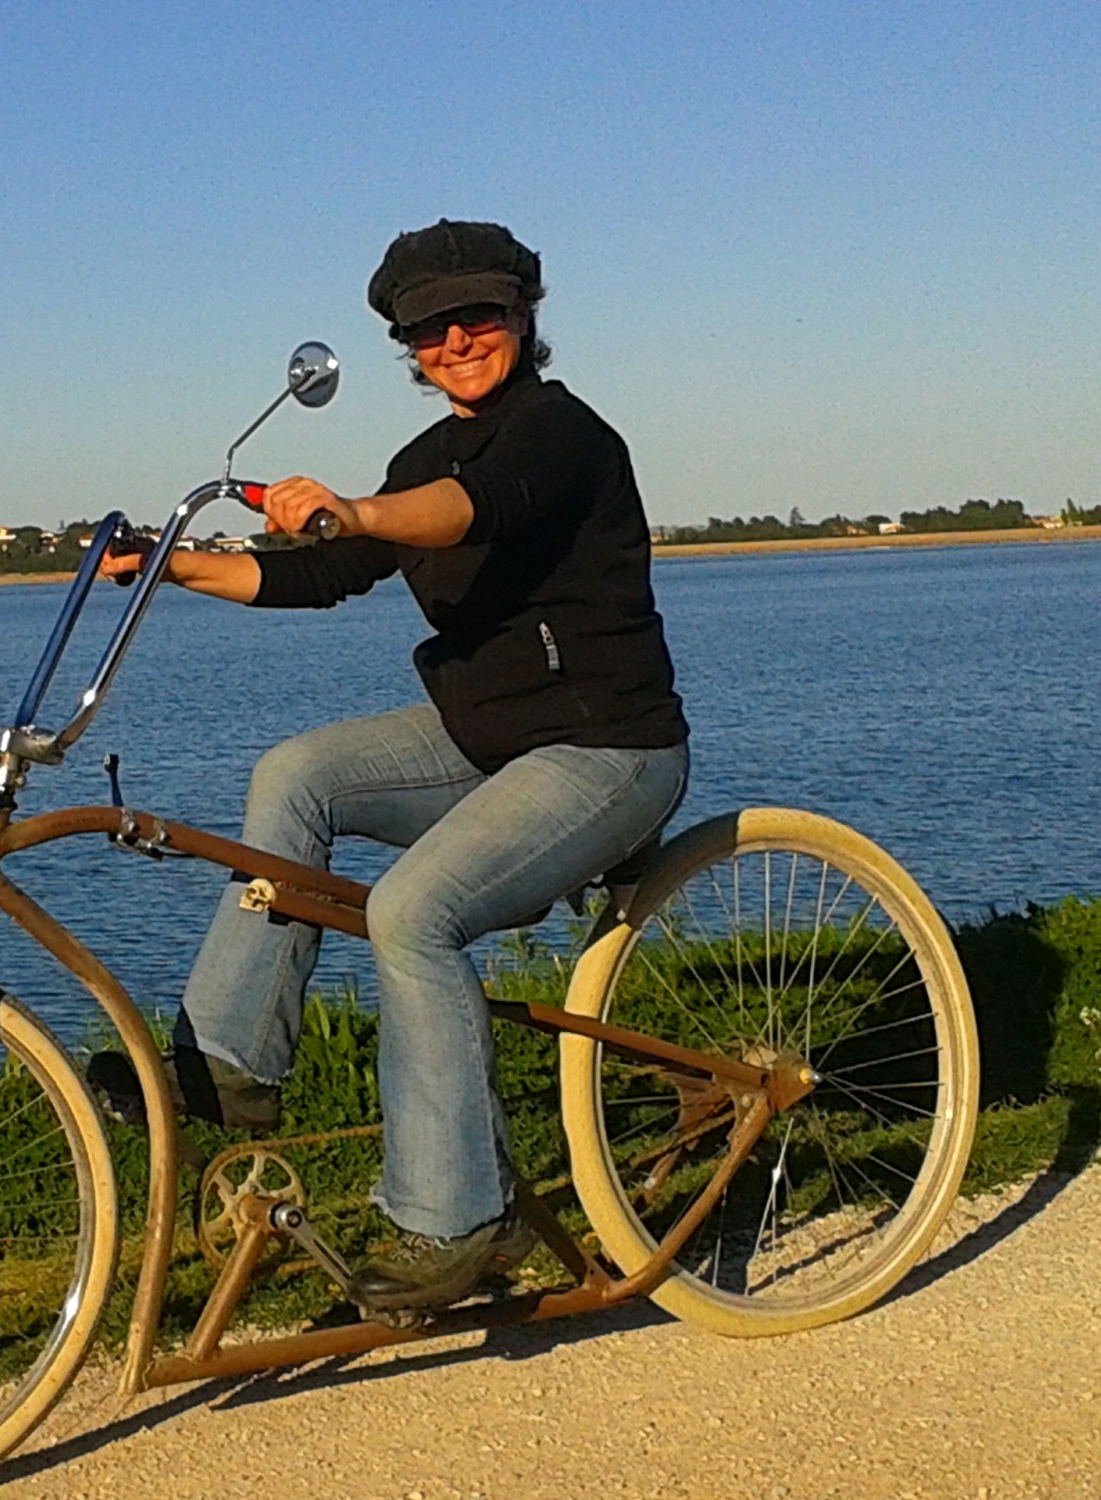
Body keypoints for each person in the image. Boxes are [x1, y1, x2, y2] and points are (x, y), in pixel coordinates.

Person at [92, 219, 690, 1313]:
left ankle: (457, 1218)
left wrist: (354, 509)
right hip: (484, 742)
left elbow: (471, 512)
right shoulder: (422, 457)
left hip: (606, 748)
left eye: (480, 315)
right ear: (405, 348)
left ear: (524, 316)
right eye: (429, 328)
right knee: (297, 773)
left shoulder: (560, 436)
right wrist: (159, 567)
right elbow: (319, 575)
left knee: (410, 913)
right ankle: (228, 1067)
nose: (457, 339)